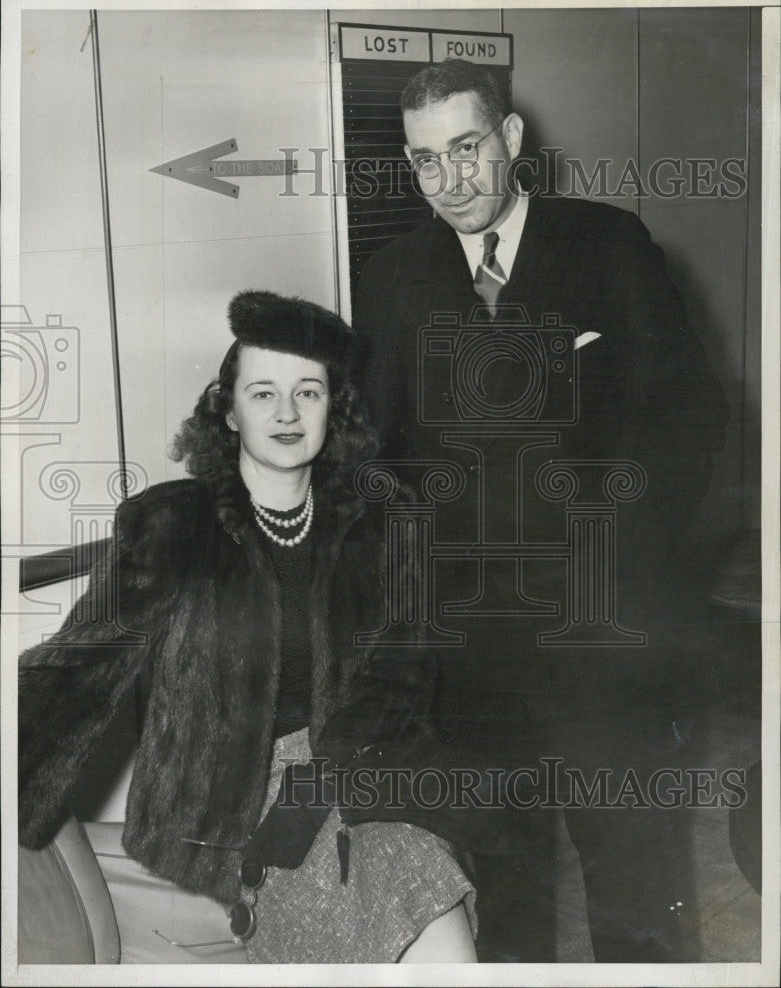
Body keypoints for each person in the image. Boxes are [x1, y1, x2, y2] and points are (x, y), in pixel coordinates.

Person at [353, 59, 730, 961]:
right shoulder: (392, 276)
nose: (450, 180)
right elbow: (375, 457)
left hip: (601, 638)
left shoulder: (608, 246)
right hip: (471, 654)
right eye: (425, 159)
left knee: (634, 879)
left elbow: (688, 420)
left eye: (468, 147)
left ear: (512, 140)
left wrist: (619, 563)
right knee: (505, 886)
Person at [17, 290, 478, 964]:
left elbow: (400, 684)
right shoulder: (173, 524)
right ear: (227, 410)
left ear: (335, 409)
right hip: (224, 799)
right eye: (263, 394)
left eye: (308, 393)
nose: (287, 413)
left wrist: (330, 786)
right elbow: (75, 671)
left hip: (356, 775)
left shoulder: (383, 522)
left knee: (414, 866)